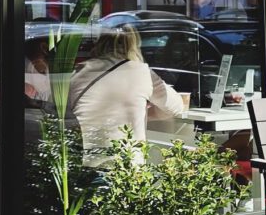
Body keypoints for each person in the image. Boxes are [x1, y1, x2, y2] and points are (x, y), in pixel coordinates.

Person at [68, 24, 183, 164]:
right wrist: (146, 113)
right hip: (126, 167)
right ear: (134, 45)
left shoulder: (79, 71)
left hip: (84, 161)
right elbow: (177, 107)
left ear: (100, 43)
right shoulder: (140, 72)